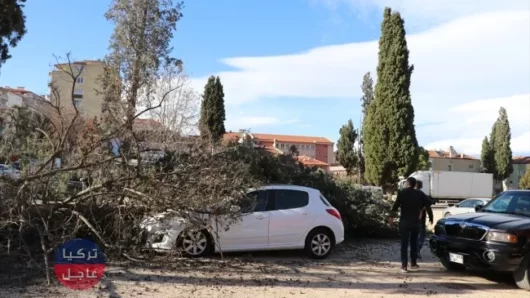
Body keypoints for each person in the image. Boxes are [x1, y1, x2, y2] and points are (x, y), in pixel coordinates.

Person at [389, 177, 432, 273]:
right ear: (414, 184)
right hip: (415, 223)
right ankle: (413, 263)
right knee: (414, 243)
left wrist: (391, 216)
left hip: (404, 222)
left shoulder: (402, 192)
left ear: (407, 183)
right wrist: (421, 209)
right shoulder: (419, 193)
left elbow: (395, 205)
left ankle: (404, 266)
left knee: (404, 244)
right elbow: (429, 202)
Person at [415, 180, 433, 260]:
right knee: (422, 233)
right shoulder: (422, 195)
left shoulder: (411, 194)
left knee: (414, 234)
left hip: (411, 217)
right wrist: (431, 217)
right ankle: (418, 248)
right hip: (421, 218)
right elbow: (428, 206)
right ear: (421, 186)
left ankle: (414, 250)